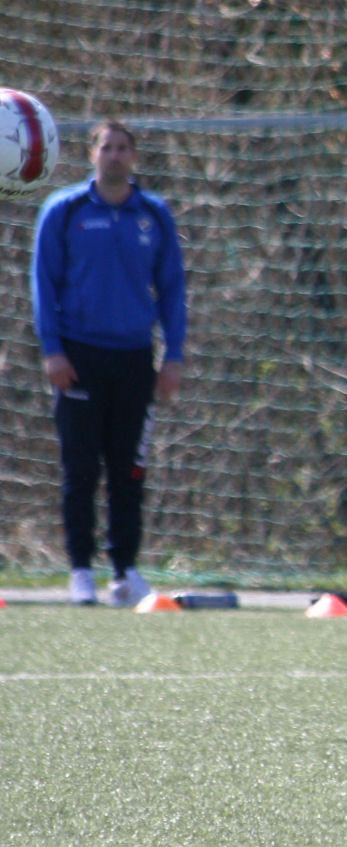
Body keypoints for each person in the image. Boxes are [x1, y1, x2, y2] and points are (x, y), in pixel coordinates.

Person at [30, 119, 187, 608]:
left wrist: (174, 356)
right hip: (78, 355)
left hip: (135, 356)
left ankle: (125, 571)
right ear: (92, 154)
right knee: (80, 468)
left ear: (134, 157)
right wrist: (52, 349)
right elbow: (43, 282)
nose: (115, 156)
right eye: (107, 148)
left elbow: (174, 289)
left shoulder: (153, 215)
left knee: (130, 469)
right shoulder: (65, 209)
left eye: (123, 148)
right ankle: (80, 570)